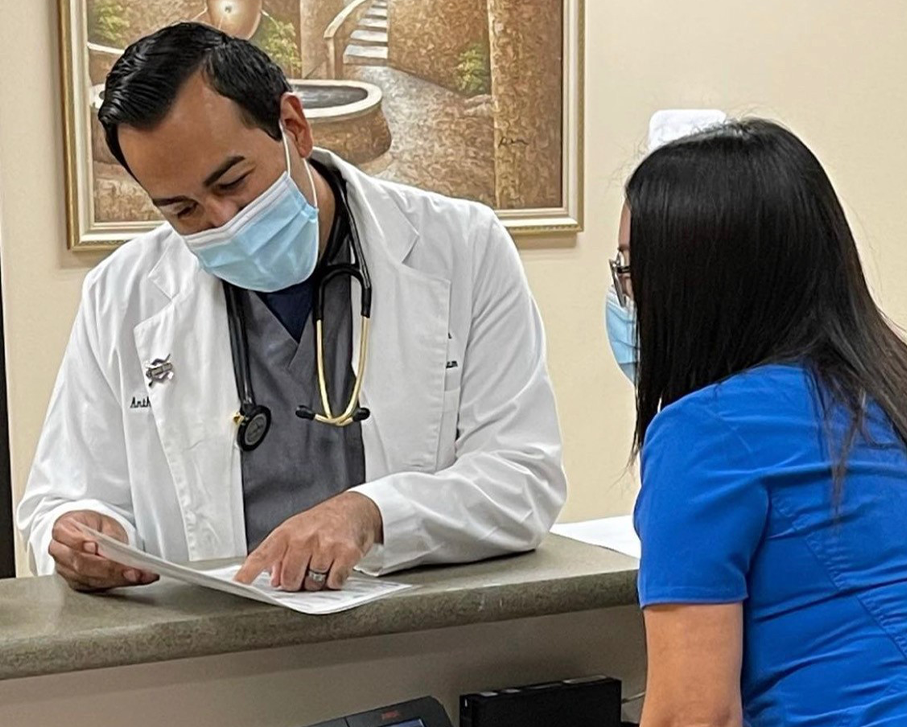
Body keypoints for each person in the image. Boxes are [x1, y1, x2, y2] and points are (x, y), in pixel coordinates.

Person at [18, 22, 565, 593]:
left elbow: (522, 481)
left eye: (233, 182)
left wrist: (371, 514)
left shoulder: (461, 247)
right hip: (214, 639)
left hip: (412, 631)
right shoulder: (121, 295)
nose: (223, 223)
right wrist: (83, 535)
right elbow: (62, 500)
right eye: (183, 210)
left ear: (294, 127)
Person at [607, 119, 907, 726]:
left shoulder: (704, 432)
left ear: (691, 285)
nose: (626, 298)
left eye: (629, 271)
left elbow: (693, 716)